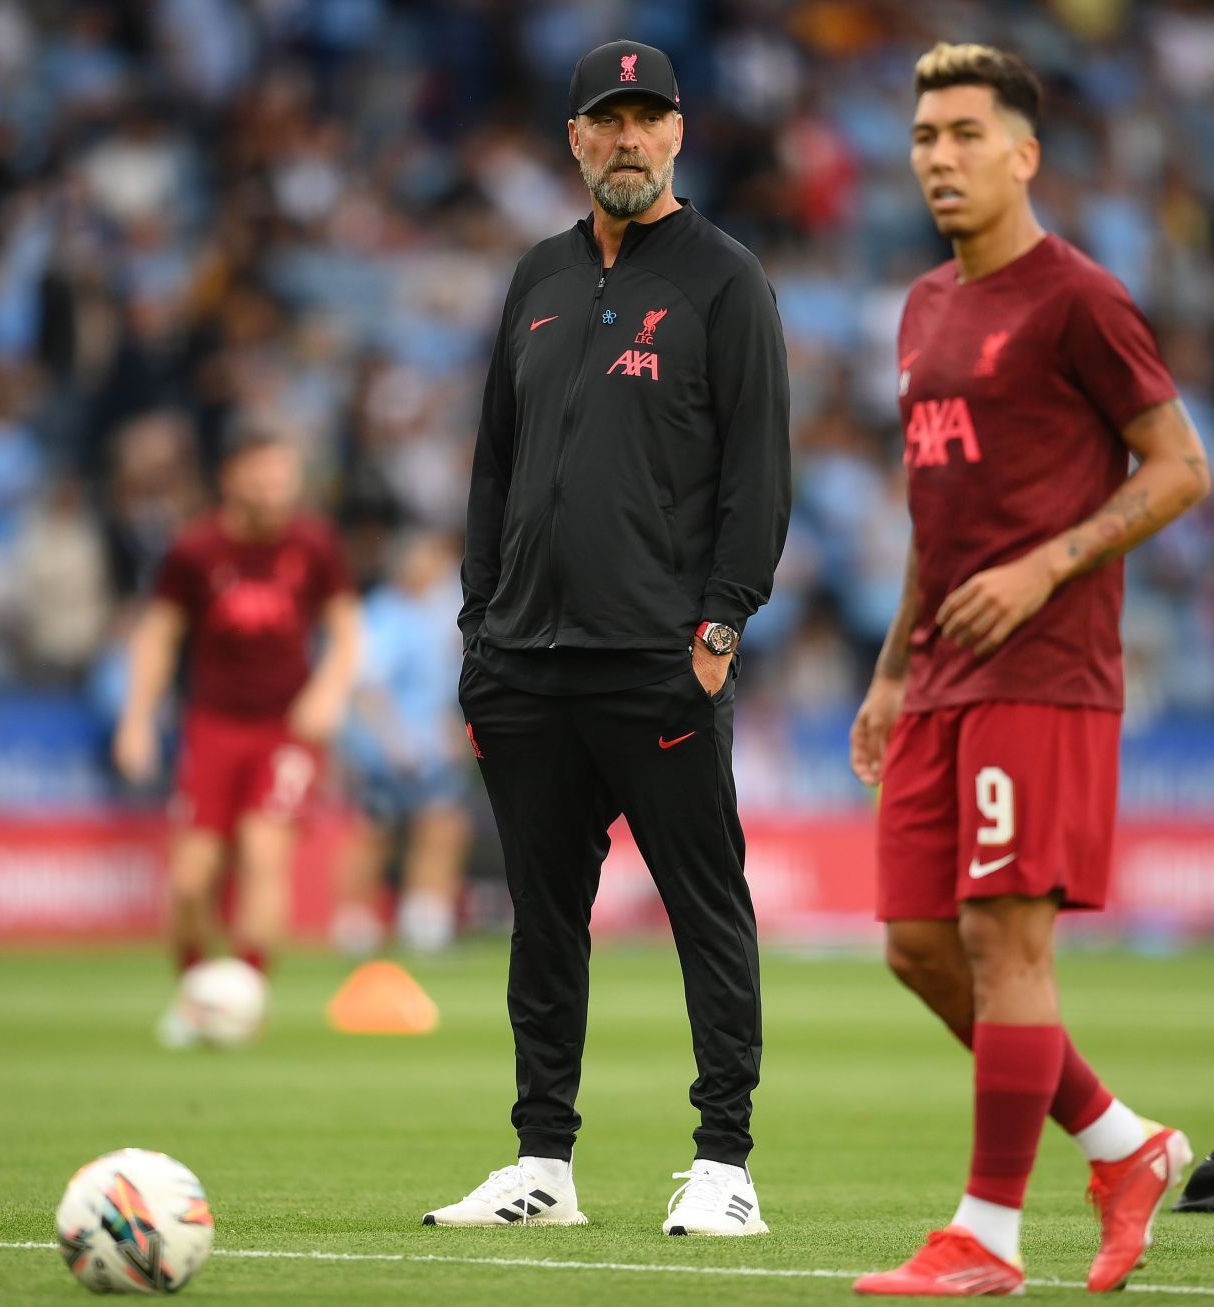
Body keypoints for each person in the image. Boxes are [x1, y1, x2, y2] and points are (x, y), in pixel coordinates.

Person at [848, 44, 1213, 1297]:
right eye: (923, 136)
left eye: (962, 134)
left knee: (1008, 946)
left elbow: (1178, 467)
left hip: (1045, 665)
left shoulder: (1079, 299)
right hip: (941, 671)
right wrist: (893, 668)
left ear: (1023, 153)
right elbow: (935, 513)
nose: (938, 158)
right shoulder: (923, 307)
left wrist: (1047, 566)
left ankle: (986, 1238)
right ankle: (1126, 1146)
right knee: (914, 945)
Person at [424, 39, 790, 1237]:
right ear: (575, 140)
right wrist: (480, 630)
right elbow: (493, 468)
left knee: (705, 907)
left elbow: (758, 474)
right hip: (526, 663)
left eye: (648, 119)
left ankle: (725, 1161)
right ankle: (543, 1161)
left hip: (657, 661)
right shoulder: (534, 275)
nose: (627, 140)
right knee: (543, 917)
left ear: (679, 134)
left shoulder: (726, 279)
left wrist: (720, 624)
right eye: (606, 121)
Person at [113, 425, 360, 1047]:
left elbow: (348, 633)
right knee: (191, 880)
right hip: (214, 724)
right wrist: (137, 718)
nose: (276, 487)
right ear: (233, 478)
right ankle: (197, 994)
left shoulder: (315, 544)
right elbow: (160, 637)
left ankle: (247, 994)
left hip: (286, 727)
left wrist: (328, 693)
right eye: (264, 474)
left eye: (285, 475)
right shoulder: (195, 551)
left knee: (261, 852)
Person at [332, 531, 472, 957]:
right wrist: (395, 741)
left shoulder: (435, 615)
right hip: (387, 747)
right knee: (377, 831)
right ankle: (354, 920)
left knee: (443, 825)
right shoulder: (384, 615)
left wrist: (450, 729)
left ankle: (424, 915)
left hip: (429, 745)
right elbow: (368, 688)